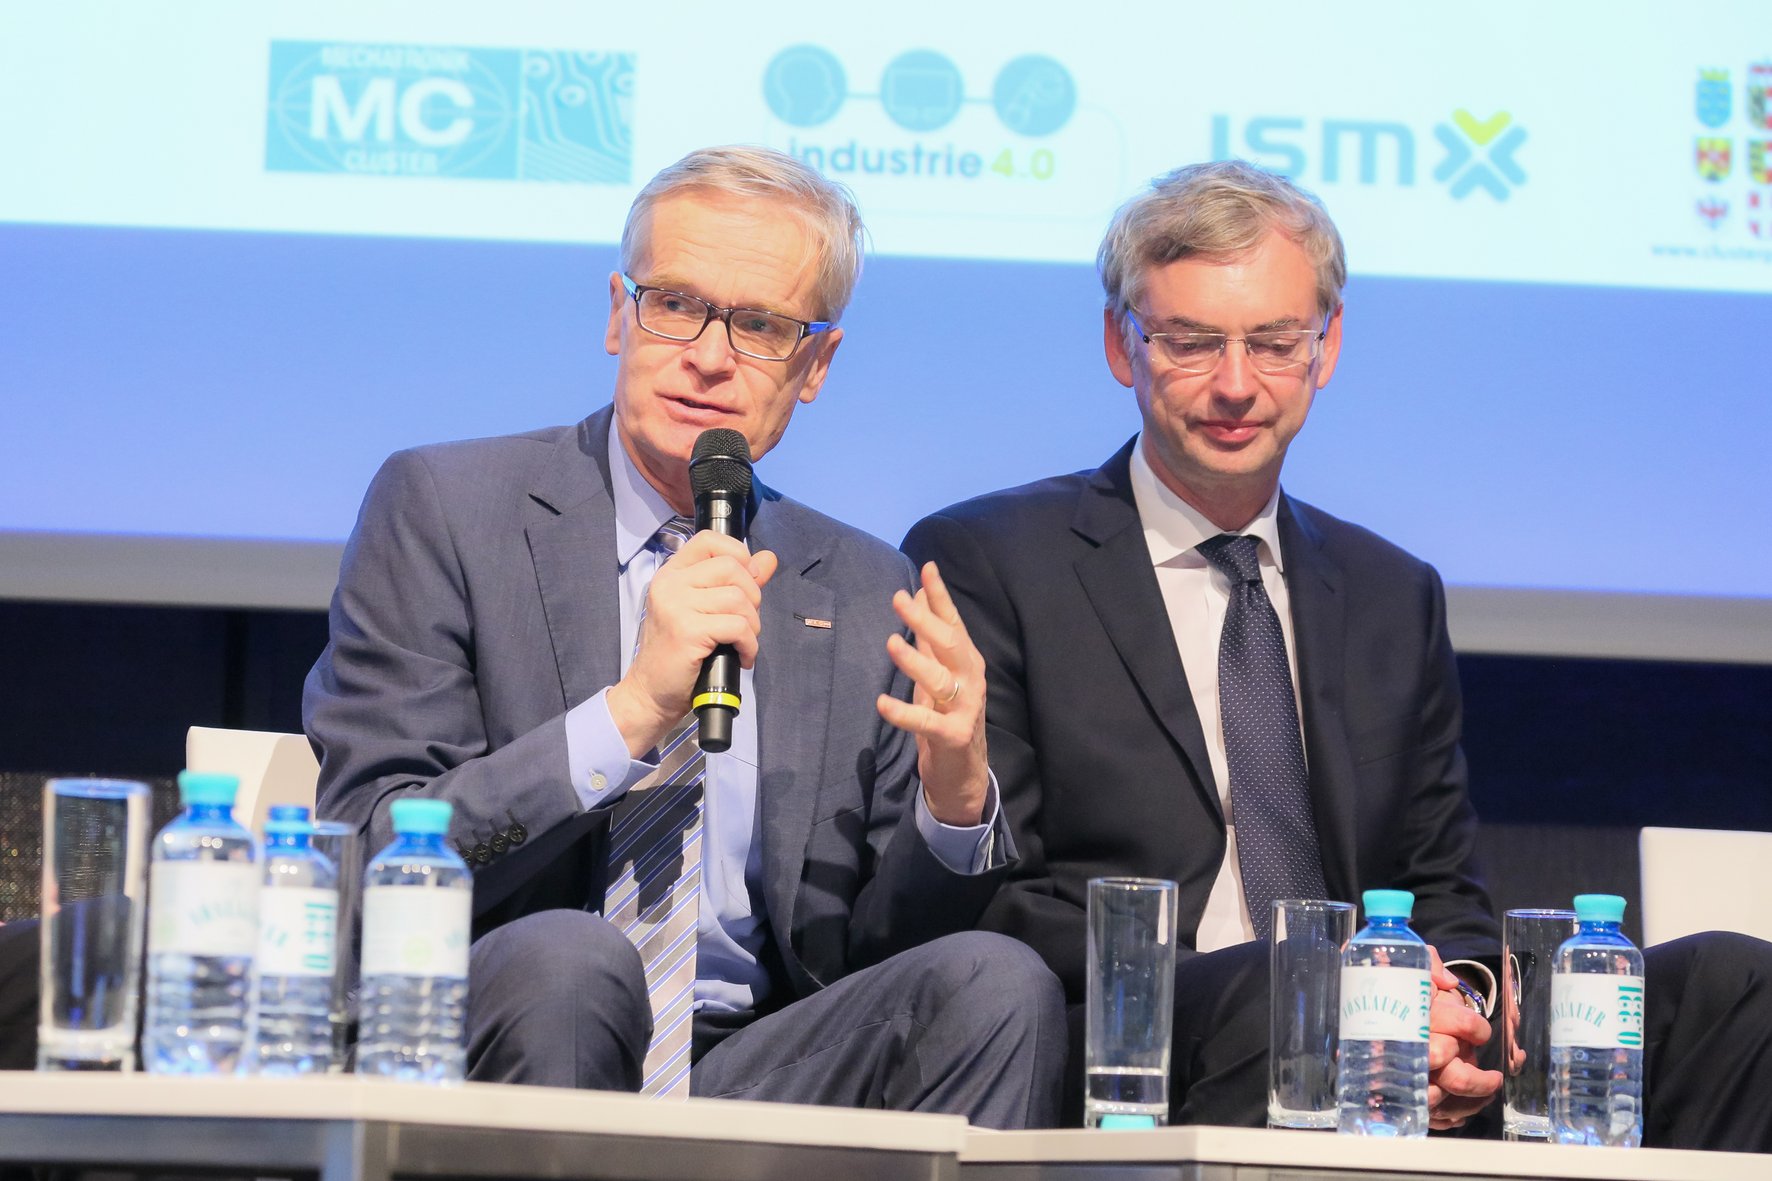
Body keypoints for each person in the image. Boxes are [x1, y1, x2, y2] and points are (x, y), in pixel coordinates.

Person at [902, 159, 1772, 1148]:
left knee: (1733, 987)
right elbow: (998, 905)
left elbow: (1442, 886)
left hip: (1380, 1037)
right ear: (1120, 343)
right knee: (1299, 972)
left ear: (1327, 346)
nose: (1237, 385)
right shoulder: (994, 559)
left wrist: (1450, 1013)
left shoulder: (1389, 591)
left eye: (1274, 344)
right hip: (1154, 1044)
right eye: (1191, 343)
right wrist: (1323, 988)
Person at [305, 145, 1063, 1125]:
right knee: (572, 960)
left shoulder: (859, 583)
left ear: (815, 365)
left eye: (761, 325)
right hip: (502, 1030)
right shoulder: (447, 508)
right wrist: (630, 714)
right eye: (675, 304)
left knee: (995, 980)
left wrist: (953, 802)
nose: (708, 356)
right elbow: (374, 849)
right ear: (617, 314)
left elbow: (878, 955)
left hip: (750, 1062)